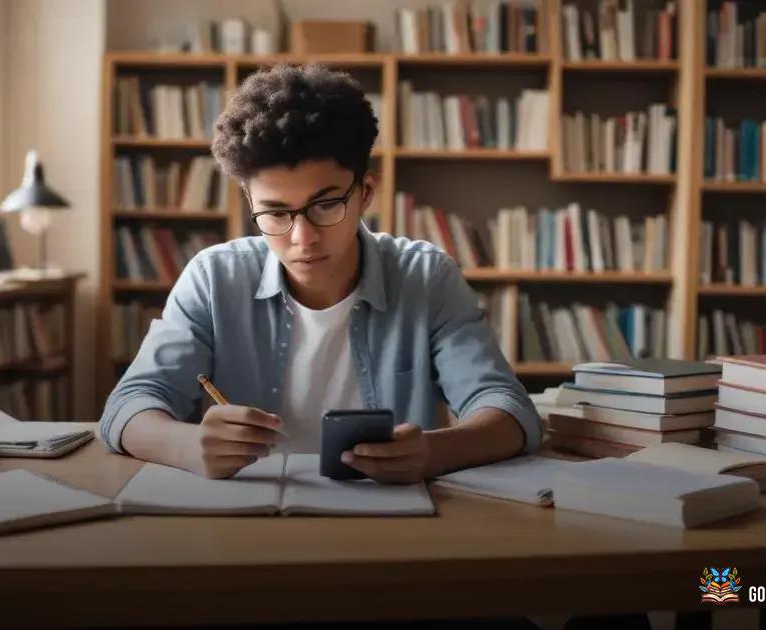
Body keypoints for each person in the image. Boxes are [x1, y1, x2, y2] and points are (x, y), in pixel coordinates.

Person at [98, 63, 541, 483]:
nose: (302, 238)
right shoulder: (214, 279)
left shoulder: (425, 277)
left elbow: (508, 412)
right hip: (243, 522)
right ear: (250, 205)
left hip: (390, 524)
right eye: (275, 213)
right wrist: (188, 445)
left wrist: (433, 453)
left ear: (365, 192)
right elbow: (128, 406)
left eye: (326, 204)